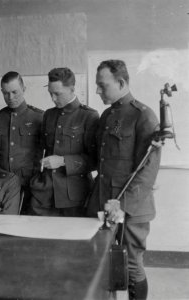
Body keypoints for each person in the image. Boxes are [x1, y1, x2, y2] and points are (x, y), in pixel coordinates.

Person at [86, 60, 161, 300]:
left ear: (120, 83)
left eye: (102, 85)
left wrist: (122, 204)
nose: (98, 91)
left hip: (130, 207)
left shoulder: (144, 115)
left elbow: (147, 170)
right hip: (105, 201)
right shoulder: (108, 114)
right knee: (106, 262)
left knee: (130, 265)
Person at [30, 68, 99, 216]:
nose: (53, 99)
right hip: (45, 195)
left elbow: (95, 160)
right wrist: (37, 181)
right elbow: (39, 150)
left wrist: (63, 161)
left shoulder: (88, 116)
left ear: (72, 89)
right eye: (50, 93)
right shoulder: (48, 114)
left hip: (75, 197)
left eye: (57, 94)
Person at [0, 71, 43, 214]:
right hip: (2, 186)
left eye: (15, 92)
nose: (11, 97)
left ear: (24, 89)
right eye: (6, 93)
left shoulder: (39, 117)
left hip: (30, 186)